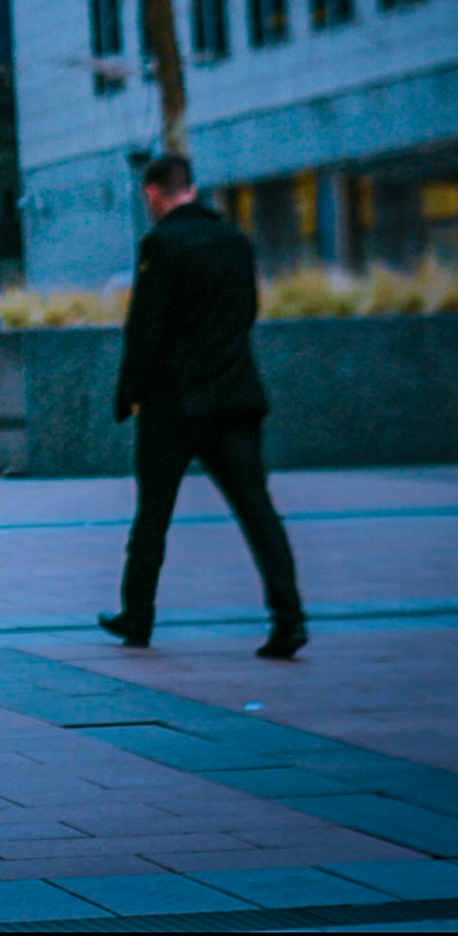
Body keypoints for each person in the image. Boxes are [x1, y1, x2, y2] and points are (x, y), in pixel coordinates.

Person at [102, 155, 306, 660]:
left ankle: (138, 617)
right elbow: (248, 312)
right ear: (191, 188)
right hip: (234, 396)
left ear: (152, 193)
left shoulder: (160, 244)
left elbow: (144, 329)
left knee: (153, 517)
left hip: (173, 404)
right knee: (257, 511)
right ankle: (289, 619)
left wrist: (129, 395)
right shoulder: (235, 241)